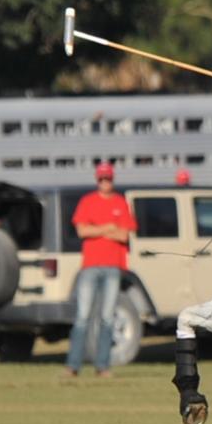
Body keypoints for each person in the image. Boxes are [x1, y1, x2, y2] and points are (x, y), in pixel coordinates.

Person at [64, 162, 136, 377]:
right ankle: (73, 366)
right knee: (82, 316)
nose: (105, 182)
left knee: (107, 317)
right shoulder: (87, 201)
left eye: (108, 178)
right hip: (90, 266)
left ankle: (102, 366)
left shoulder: (120, 202)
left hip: (113, 266)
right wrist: (107, 228)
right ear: (97, 180)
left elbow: (124, 234)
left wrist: (96, 229)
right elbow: (82, 231)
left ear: (112, 180)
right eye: (102, 179)